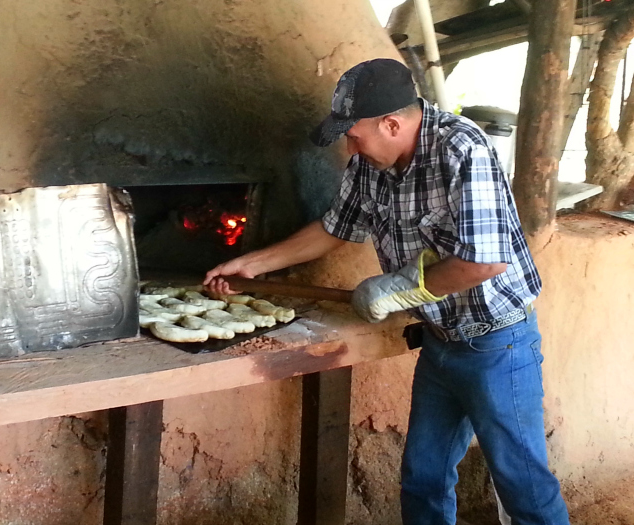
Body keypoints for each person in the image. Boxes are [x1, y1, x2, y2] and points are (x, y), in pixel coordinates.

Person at [204, 58, 570, 525]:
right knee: (424, 478)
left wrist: (399, 288)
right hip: (440, 338)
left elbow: (485, 261)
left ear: (392, 123)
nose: (349, 148)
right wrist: (250, 264)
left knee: (523, 486)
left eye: (353, 135)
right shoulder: (370, 164)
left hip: (497, 342)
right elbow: (334, 229)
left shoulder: (462, 148)